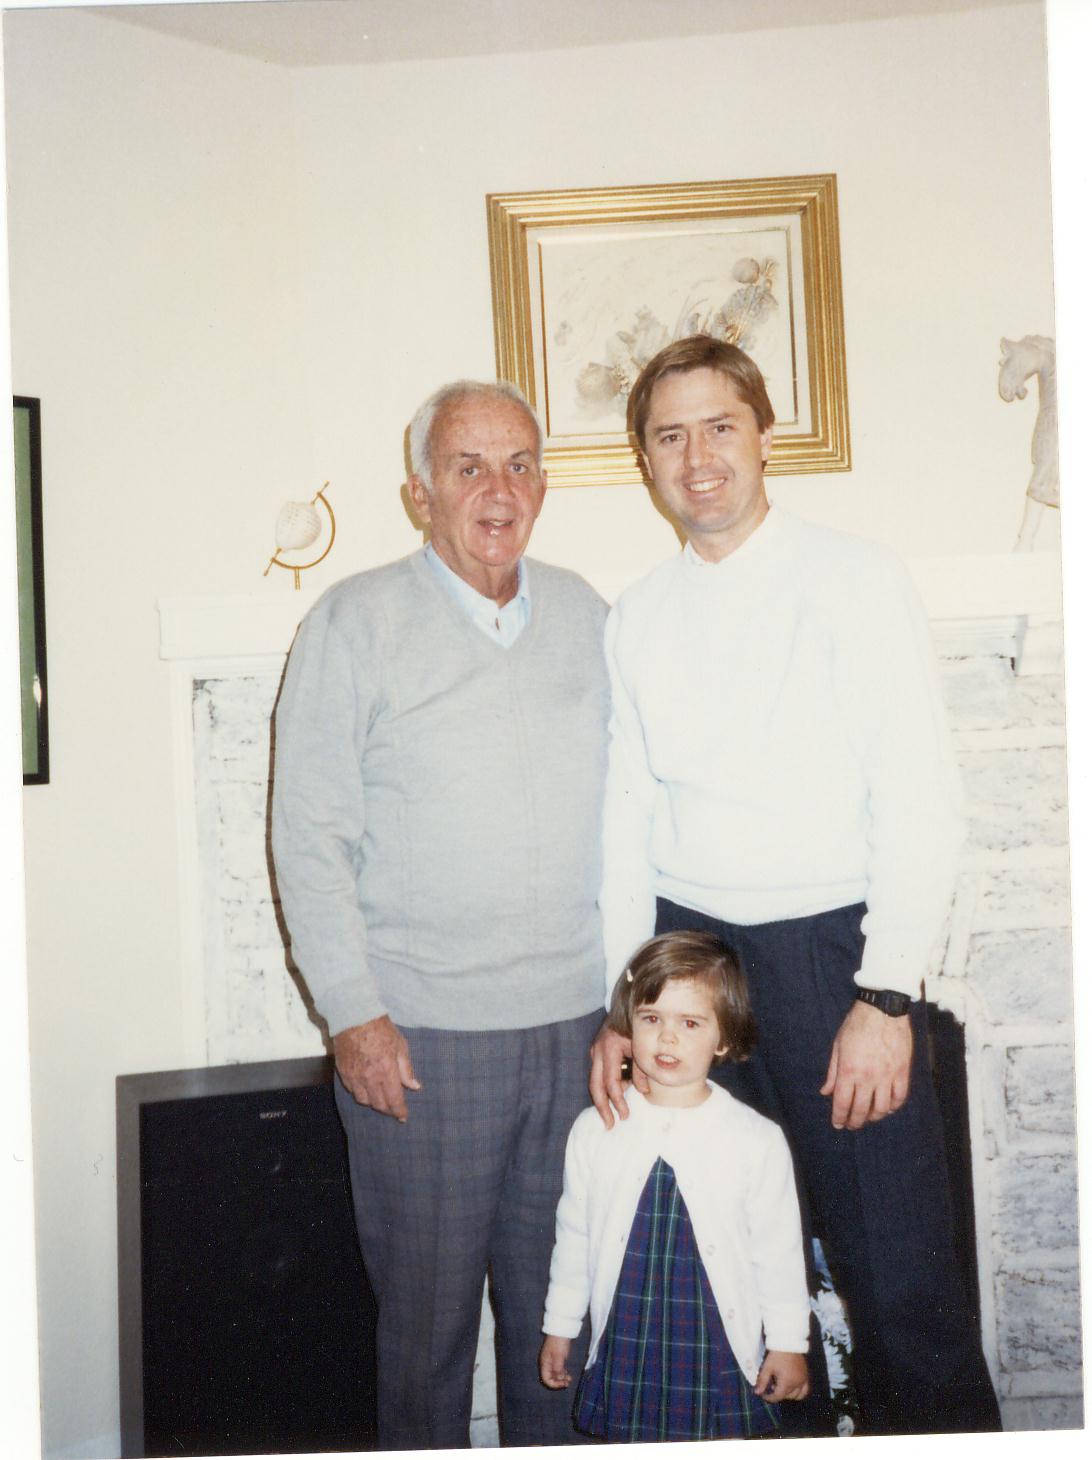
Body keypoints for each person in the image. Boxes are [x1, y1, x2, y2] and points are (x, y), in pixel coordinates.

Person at [589, 335, 1002, 1435]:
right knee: (744, 1281)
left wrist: (886, 996)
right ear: (645, 459)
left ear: (765, 436)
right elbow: (626, 819)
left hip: (834, 960)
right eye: (670, 436)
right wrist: (623, 1008)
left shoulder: (856, 579)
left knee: (902, 1284)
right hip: (692, 962)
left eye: (720, 426)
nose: (698, 458)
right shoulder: (636, 615)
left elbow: (921, 797)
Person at [271, 379, 609, 1449]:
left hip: (575, 1035)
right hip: (419, 1045)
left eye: (519, 464)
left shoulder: (588, 614)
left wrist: (629, 1009)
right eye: (468, 467)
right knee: (424, 1344)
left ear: (543, 485)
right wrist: (353, 1014)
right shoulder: (352, 622)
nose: (498, 490)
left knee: (563, 1334)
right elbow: (308, 834)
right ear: (419, 493)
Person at [540, 930, 811, 1442]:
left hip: (712, 1339)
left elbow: (778, 1253)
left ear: (723, 1038)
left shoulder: (755, 1138)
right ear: (628, 1027)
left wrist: (789, 1342)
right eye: (651, 1019)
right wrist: (559, 1326)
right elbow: (574, 1236)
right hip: (630, 1336)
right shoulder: (597, 1129)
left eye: (690, 1023)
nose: (667, 1039)